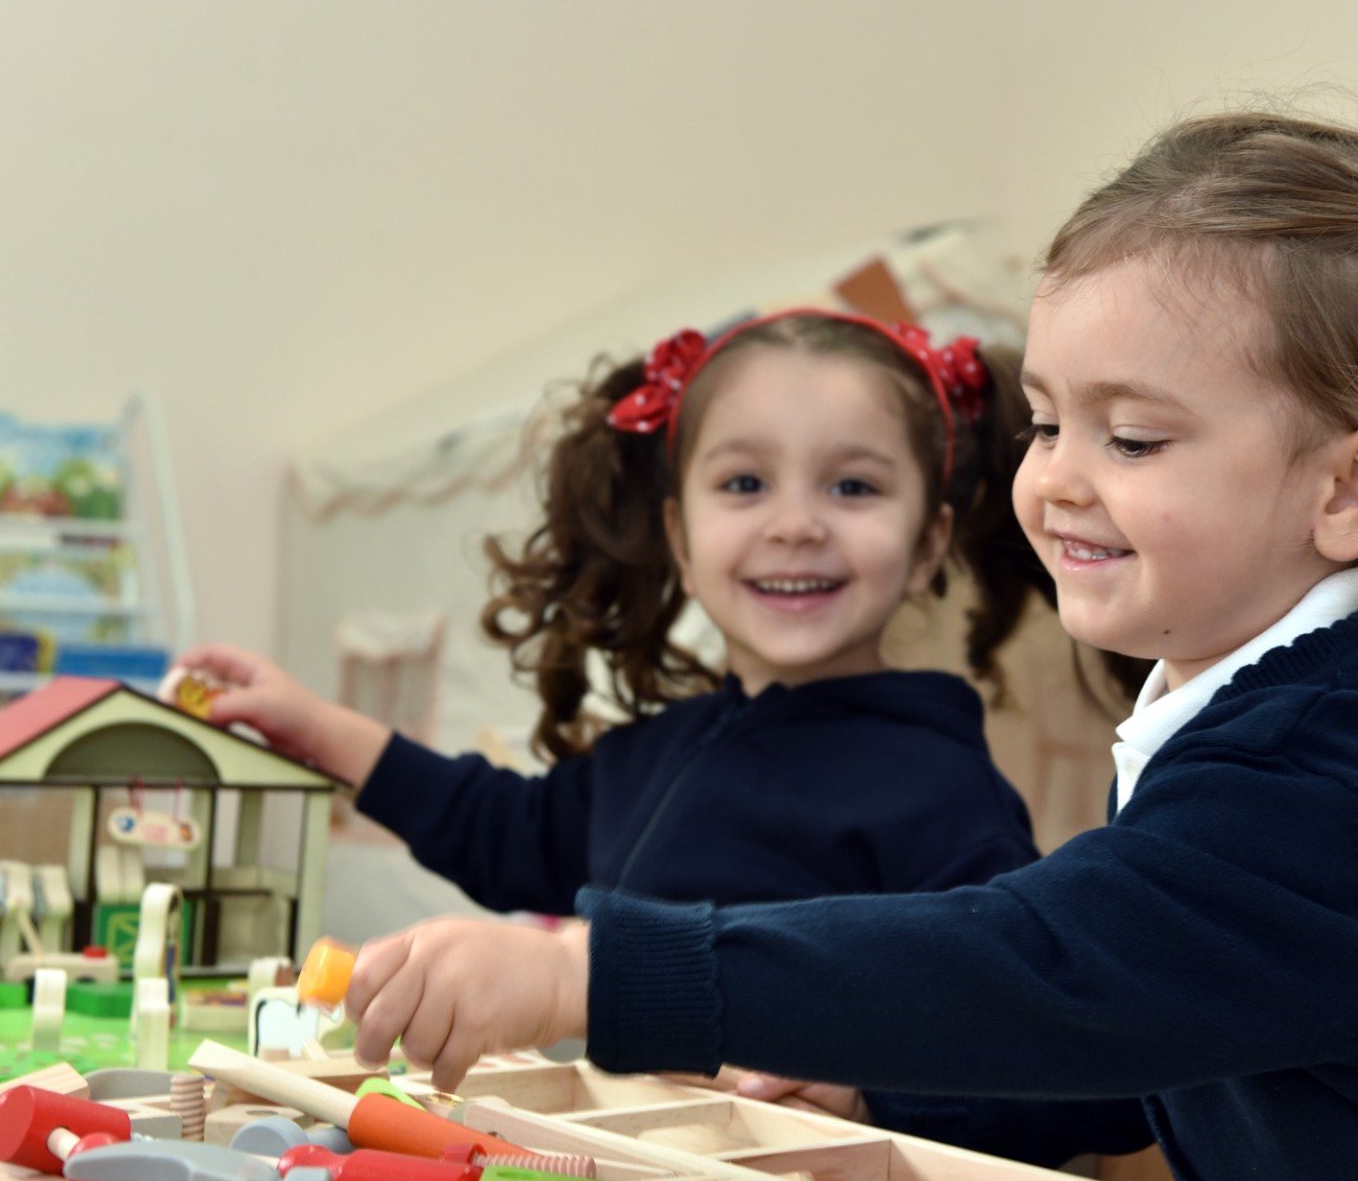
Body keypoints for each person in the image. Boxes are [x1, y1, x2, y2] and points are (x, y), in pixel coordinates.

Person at [335, 114, 1358, 1181]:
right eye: (1051, 420)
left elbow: (1042, 962)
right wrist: (878, 1076)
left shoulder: (1327, 782)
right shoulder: (1254, 727)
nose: (1054, 479)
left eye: (1136, 439)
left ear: (1353, 484)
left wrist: (590, 967)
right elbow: (1136, 1035)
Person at [176, 308, 1055, 913]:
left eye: (852, 485)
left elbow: (1032, 1054)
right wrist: (313, 727)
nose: (795, 525)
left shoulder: (942, 795)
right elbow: (500, 832)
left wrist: (861, 1089)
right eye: (744, 483)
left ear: (929, 546)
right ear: (679, 535)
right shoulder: (654, 757)